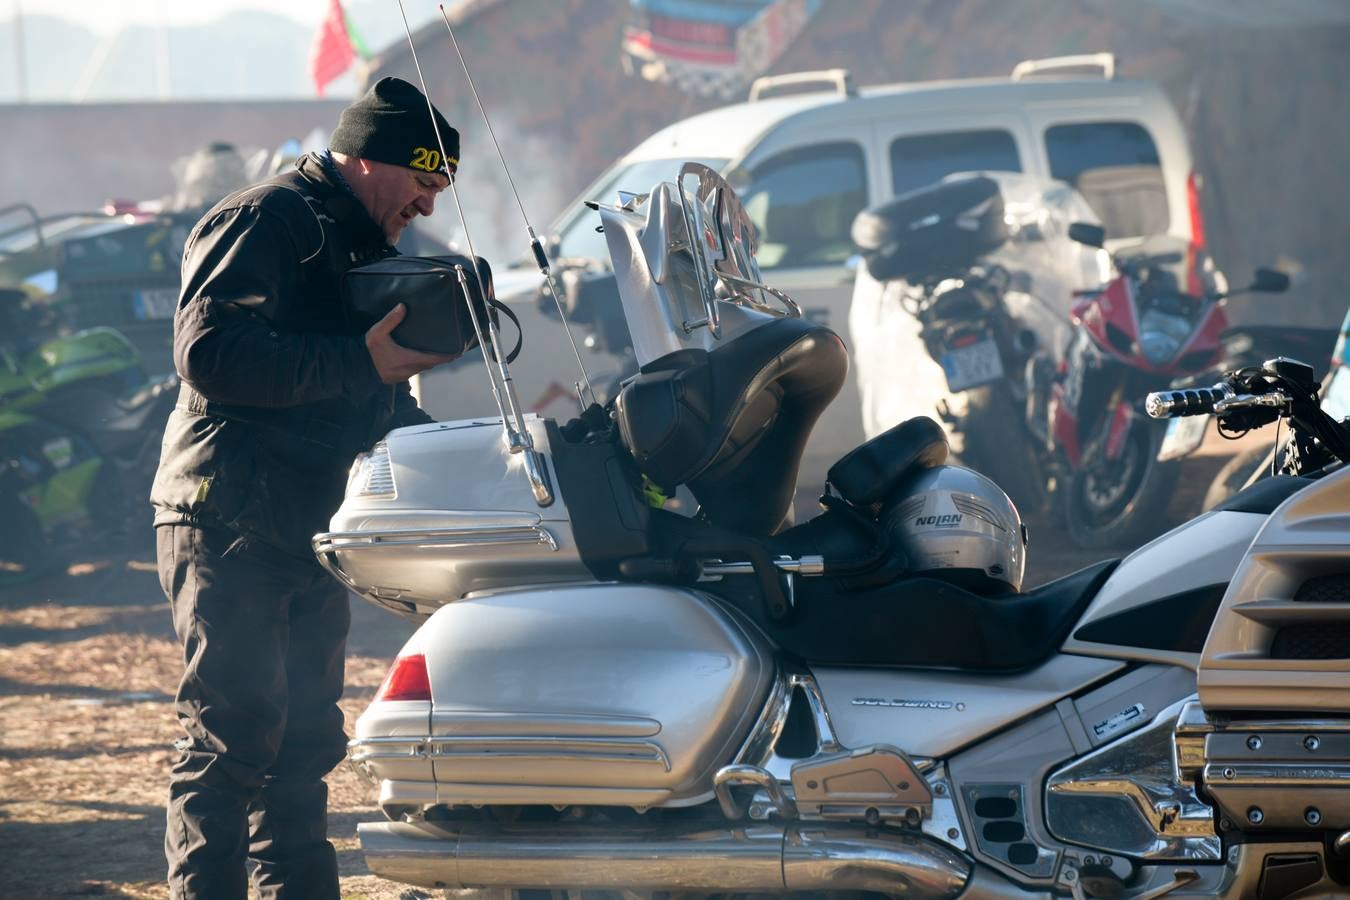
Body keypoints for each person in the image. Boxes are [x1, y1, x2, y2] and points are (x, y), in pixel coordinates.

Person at [149, 77, 461, 899]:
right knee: (232, 737)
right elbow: (209, 356)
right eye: (423, 183)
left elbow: (366, 390)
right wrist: (364, 362)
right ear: (372, 159)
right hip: (226, 516)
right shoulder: (267, 218)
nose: (426, 207)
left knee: (303, 742)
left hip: (310, 526)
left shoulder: (360, 242)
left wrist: (469, 453)